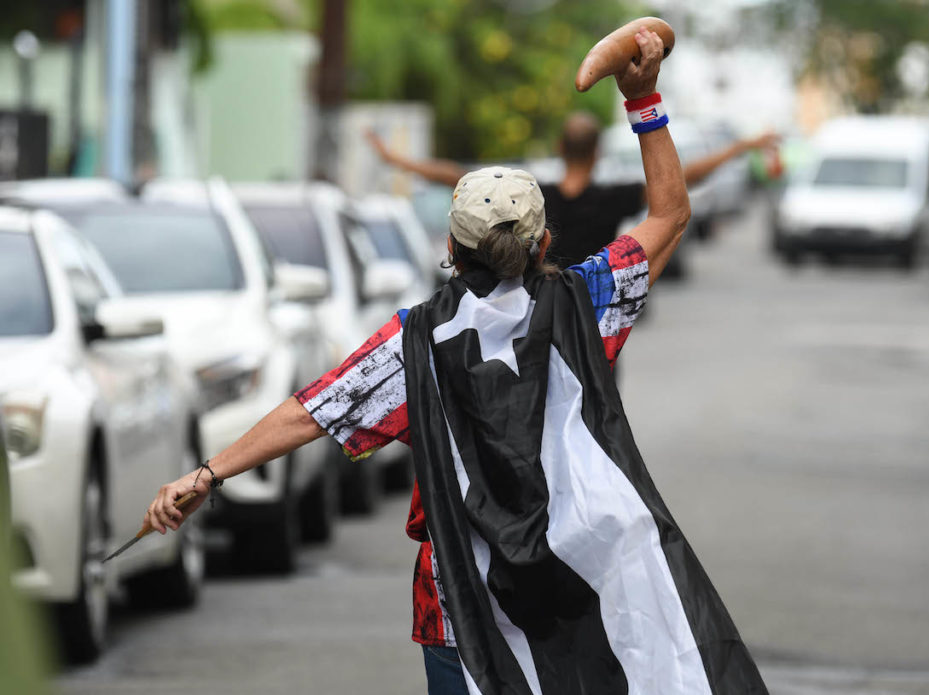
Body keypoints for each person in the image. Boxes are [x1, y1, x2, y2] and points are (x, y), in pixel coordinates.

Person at [144, 28, 766, 695]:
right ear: (544, 241)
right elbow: (670, 214)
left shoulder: (413, 341)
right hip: (578, 590)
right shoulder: (586, 302)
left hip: (459, 613)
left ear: (450, 243)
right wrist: (643, 97)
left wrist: (207, 473)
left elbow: (311, 413)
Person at [366, 105, 777, 269]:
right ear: (598, 152)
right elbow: (677, 183)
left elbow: (459, 176)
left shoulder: (534, 197)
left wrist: (396, 160)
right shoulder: (612, 198)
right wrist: (740, 147)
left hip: (538, 318)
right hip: (595, 317)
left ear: (560, 147)